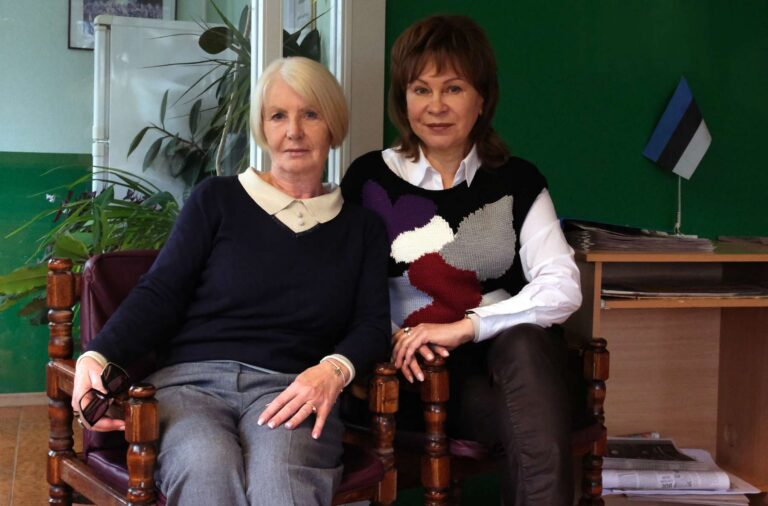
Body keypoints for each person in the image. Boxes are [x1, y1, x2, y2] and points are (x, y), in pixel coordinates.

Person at [72, 56, 391, 506]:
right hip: (190, 386)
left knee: (281, 483)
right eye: (277, 116)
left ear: (333, 125)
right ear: (262, 127)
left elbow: (372, 325)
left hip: (293, 388)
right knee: (206, 466)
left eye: (310, 114)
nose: (293, 131)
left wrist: (332, 371)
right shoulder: (217, 199)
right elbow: (161, 292)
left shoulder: (362, 228)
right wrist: (97, 355)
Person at [341, 15, 582, 506]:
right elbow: (342, 285)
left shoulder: (517, 181)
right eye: (420, 89)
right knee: (533, 425)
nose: (436, 106)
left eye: (453, 88)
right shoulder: (368, 179)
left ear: (482, 98)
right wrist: (396, 334)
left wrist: (467, 327)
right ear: (402, 98)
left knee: (524, 349)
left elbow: (563, 286)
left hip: (504, 368)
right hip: (409, 378)